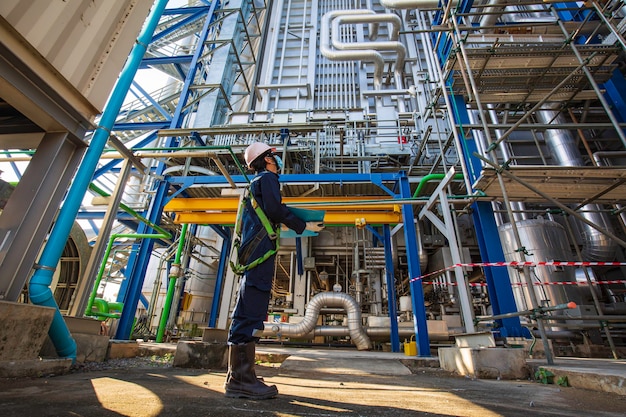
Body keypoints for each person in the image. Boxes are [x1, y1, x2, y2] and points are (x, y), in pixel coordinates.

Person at [224, 142, 324, 400]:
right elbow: (275, 210)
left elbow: (269, 215)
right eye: (273, 157)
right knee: (251, 309)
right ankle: (241, 380)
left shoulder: (254, 184)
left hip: (254, 253)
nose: (277, 161)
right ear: (265, 159)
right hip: (259, 255)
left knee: (249, 308)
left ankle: (240, 377)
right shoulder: (267, 179)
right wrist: (303, 224)